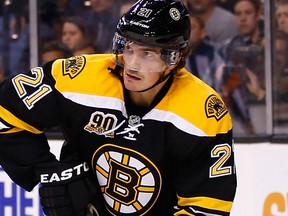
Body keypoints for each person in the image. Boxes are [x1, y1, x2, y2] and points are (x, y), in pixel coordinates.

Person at [0, 0, 237, 215]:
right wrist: (49, 172)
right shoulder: (78, 76)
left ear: (174, 59)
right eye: (128, 48)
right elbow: (6, 109)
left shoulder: (201, 111)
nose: (132, 64)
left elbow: (206, 206)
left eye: (147, 54)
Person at [215, 0, 265, 135]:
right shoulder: (225, 48)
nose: (243, 18)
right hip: (234, 118)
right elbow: (216, 84)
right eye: (238, 14)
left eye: (248, 13)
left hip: (268, 111)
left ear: (258, 14)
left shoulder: (272, 45)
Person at [185, 14, 223, 87]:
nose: (186, 32)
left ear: (202, 33)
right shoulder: (174, 56)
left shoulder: (214, 54)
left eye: (191, 28)